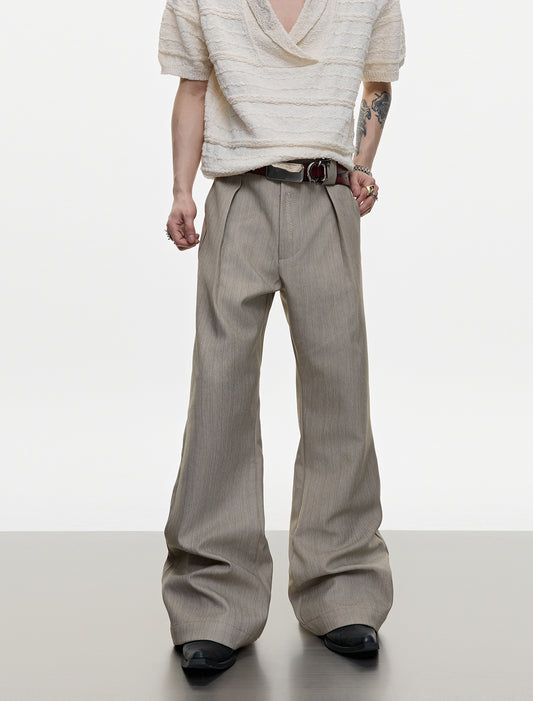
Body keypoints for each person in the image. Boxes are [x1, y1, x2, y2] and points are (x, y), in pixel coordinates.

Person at [157, 0, 406, 673]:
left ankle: (342, 587)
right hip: (238, 195)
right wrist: (181, 190)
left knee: (339, 391)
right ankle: (212, 599)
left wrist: (359, 163)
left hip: (327, 197)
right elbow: (192, 88)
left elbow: (378, 82)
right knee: (220, 391)